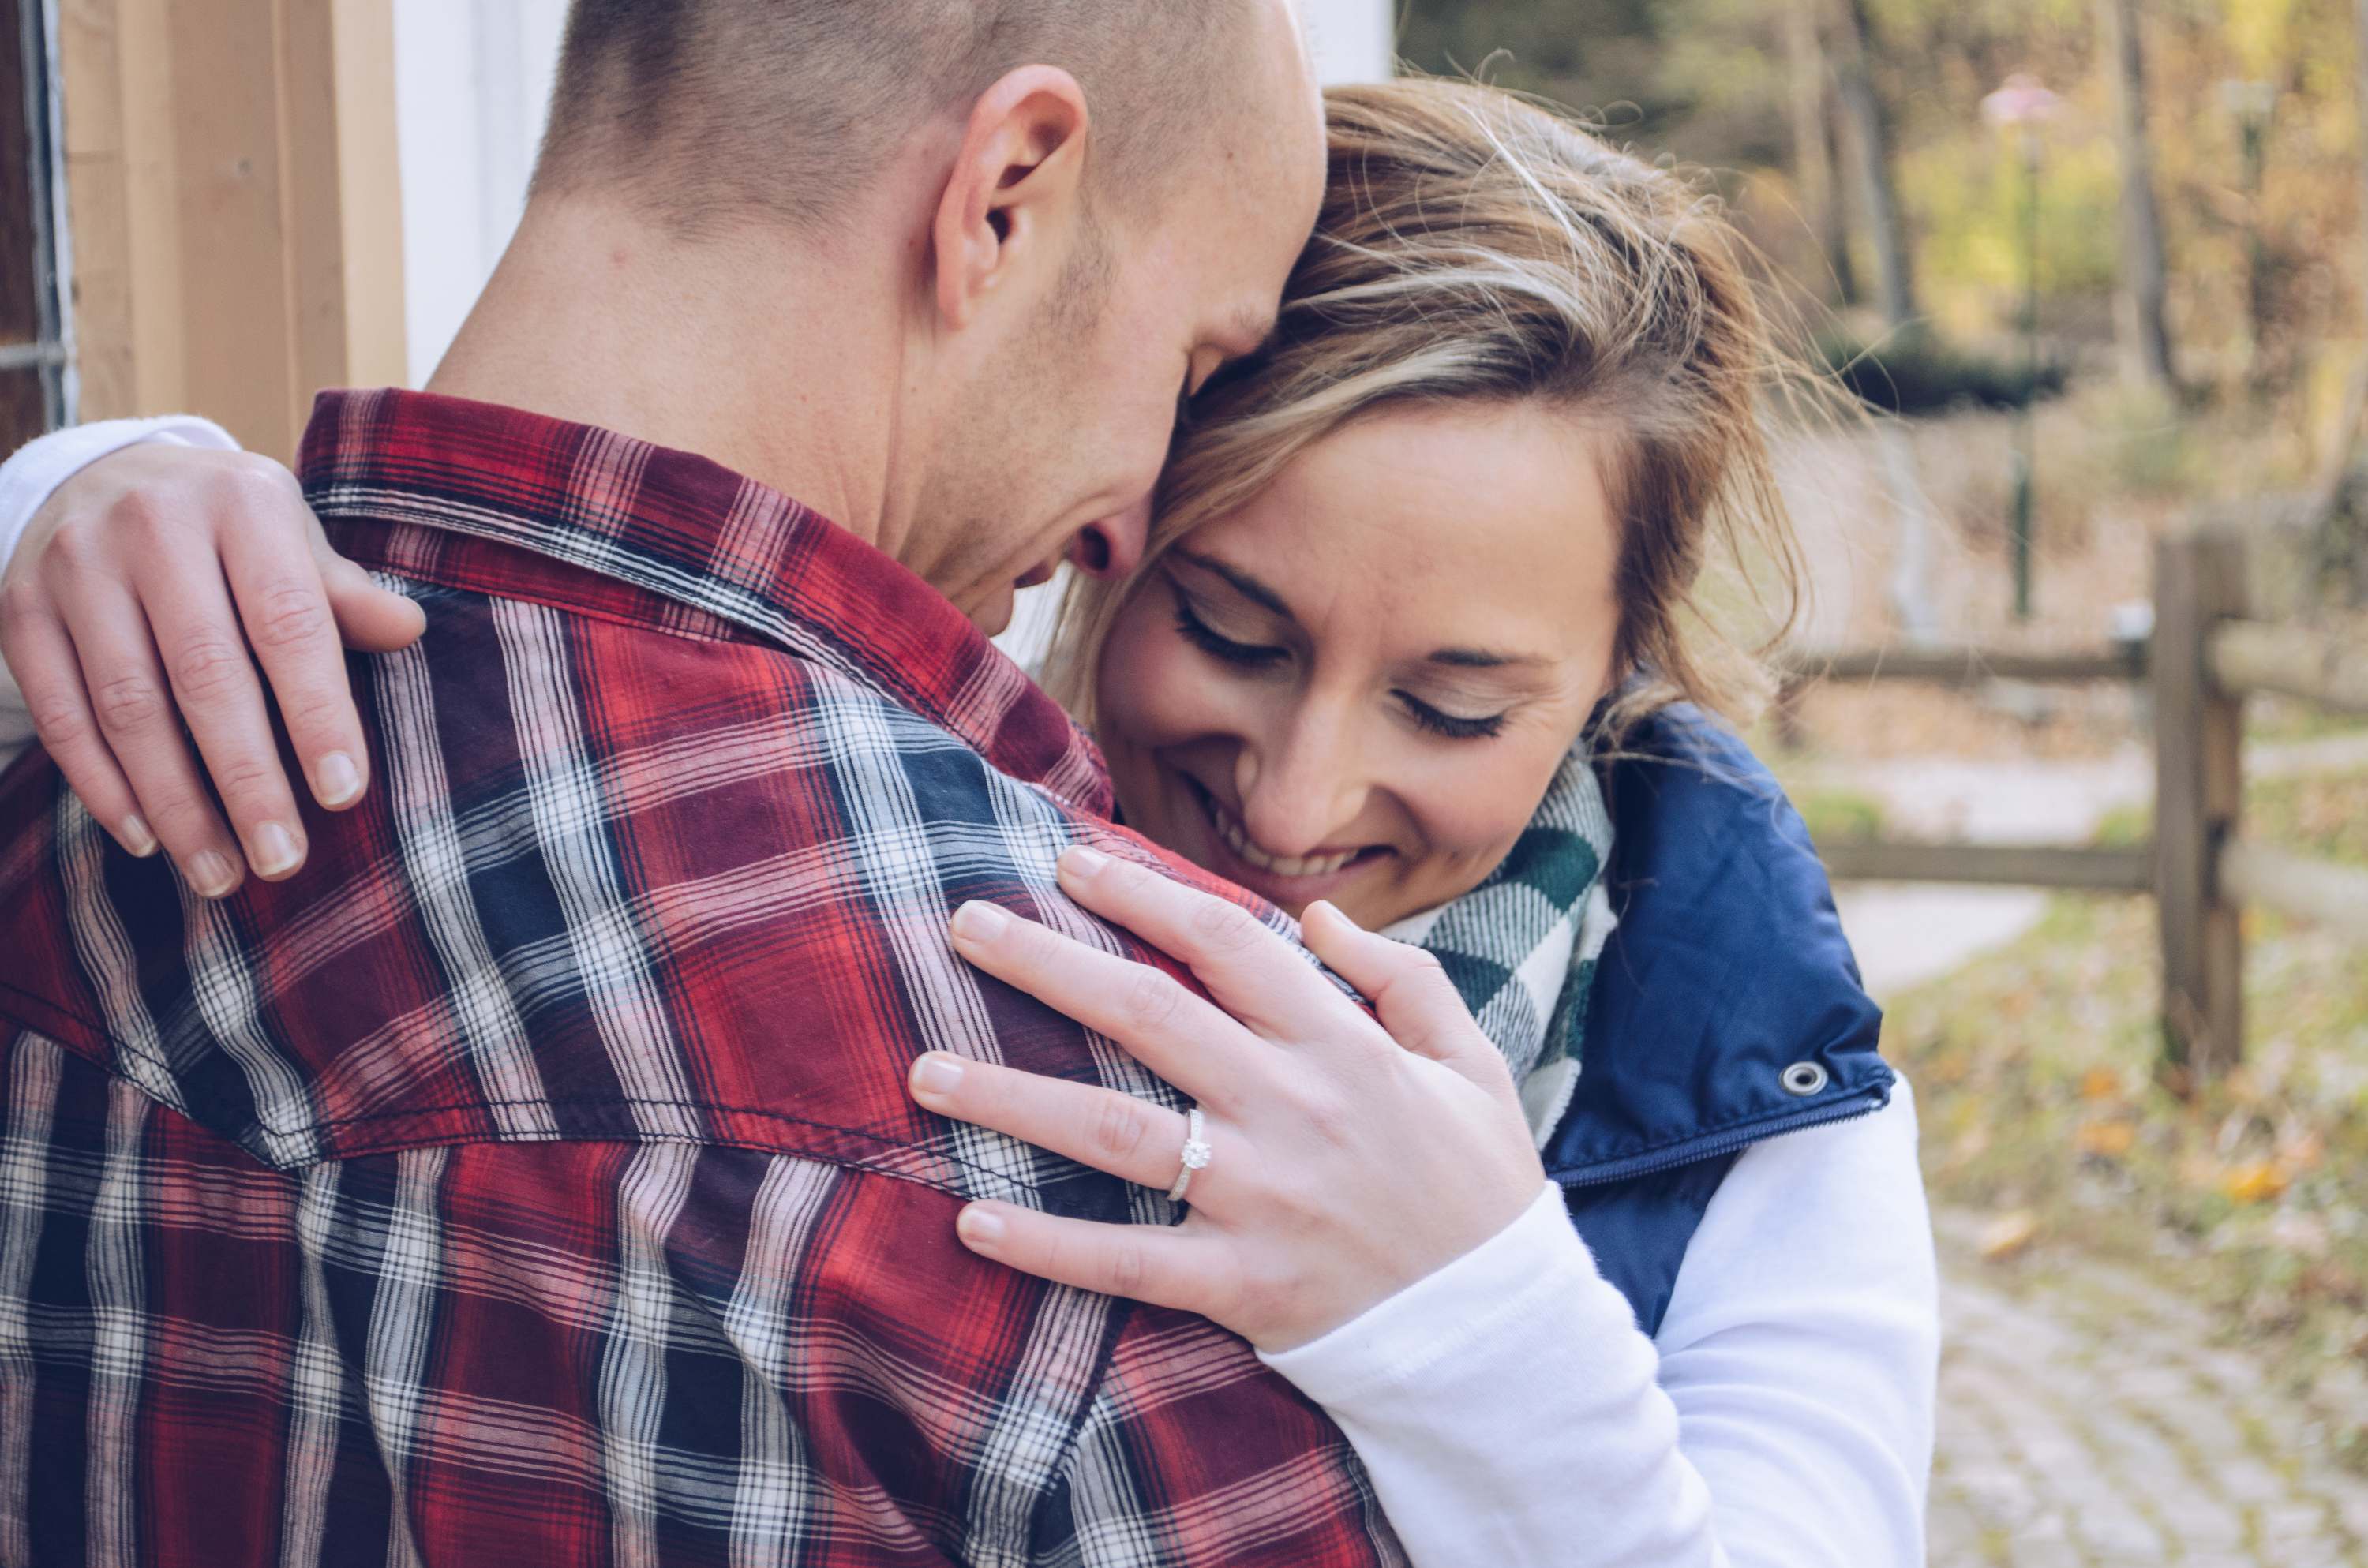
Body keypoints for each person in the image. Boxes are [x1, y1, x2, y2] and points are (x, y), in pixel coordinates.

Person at [0, 71, 1938, 1564]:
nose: (1297, 793)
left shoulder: (1749, 1079)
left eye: (1456, 701)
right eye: (1230, 628)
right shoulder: (935, 891)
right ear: (1114, 508)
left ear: (1616, 672)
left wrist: (1490, 1314)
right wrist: (95, 481)